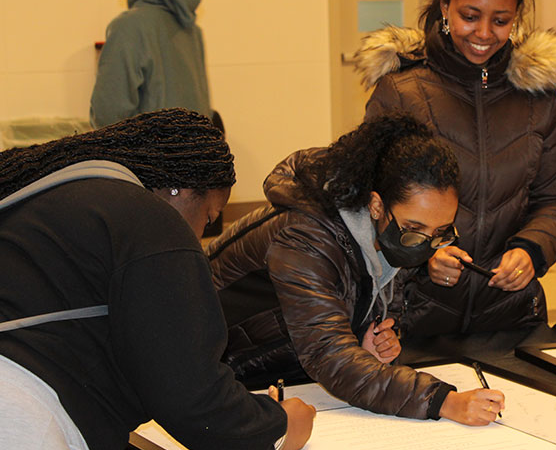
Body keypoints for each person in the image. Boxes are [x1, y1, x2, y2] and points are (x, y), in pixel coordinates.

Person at [0, 109, 315, 450]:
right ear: (181, 190)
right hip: (9, 435)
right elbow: (192, 397)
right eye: (211, 215)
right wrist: (278, 428)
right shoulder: (149, 220)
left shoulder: (37, 201)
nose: (203, 231)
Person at [207, 114, 506, 425]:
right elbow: (329, 354)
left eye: (441, 231)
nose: (426, 245)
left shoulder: (383, 230)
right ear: (376, 205)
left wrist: (370, 335)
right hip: (217, 375)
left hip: (290, 378)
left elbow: (351, 310)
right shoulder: (304, 236)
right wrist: (443, 401)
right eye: (415, 229)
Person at [355, 0, 556, 337]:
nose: (484, 34)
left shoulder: (538, 98)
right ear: (445, 5)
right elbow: (366, 205)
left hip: (511, 314)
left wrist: (532, 249)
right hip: (413, 317)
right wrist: (424, 255)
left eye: (500, 20)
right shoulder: (401, 92)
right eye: (470, 16)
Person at [89, 0, 212, 128]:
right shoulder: (190, 27)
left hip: (148, 156)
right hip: (193, 153)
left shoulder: (128, 26)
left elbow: (110, 110)